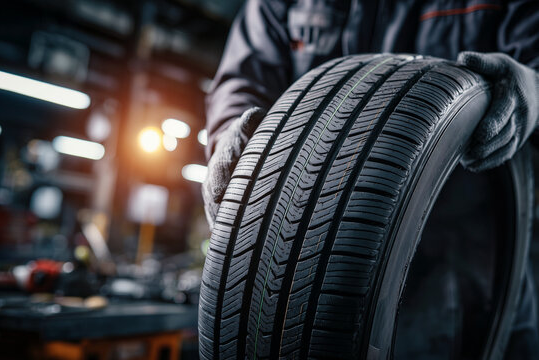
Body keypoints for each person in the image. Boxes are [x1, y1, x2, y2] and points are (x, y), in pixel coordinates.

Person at [202, 0, 539, 357]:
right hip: (318, 269)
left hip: (478, 272)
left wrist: (534, 90)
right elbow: (244, 80)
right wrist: (233, 140)